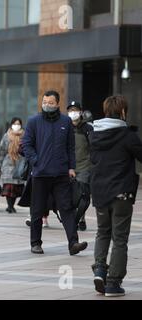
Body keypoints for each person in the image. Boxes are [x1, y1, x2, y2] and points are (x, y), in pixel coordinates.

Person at [22, 90, 87, 255]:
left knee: (67, 208)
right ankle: (35, 243)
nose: (46, 105)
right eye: (44, 102)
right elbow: (26, 145)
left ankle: (73, 243)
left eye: (50, 103)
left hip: (61, 174)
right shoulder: (33, 121)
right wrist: (36, 161)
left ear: (57, 104)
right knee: (37, 210)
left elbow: (70, 147)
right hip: (40, 174)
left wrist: (71, 167)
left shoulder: (66, 121)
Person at [90, 95, 142, 297]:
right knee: (119, 239)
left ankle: (100, 270)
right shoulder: (127, 135)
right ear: (122, 112)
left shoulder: (93, 134)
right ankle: (113, 283)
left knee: (102, 232)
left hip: (100, 192)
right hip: (121, 193)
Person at [67, 101, 93, 231]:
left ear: (81, 112)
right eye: (70, 110)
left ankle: (80, 218)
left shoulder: (88, 128)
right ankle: (74, 219)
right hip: (69, 167)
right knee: (71, 196)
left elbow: (94, 147)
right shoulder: (65, 126)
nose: (73, 113)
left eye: (75, 110)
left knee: (83, 195)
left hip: (84, 167)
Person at [0, 118, 25, 213]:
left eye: (18, 124)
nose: (17, 125)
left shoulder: (24, 136)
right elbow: (1, 151)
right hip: (8, 163)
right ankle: (10, 206)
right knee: (8, 186)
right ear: (11, 124)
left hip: (20, 163)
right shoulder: (6, 136)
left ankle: (12, 205)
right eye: (15, 123)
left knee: (16, 187)